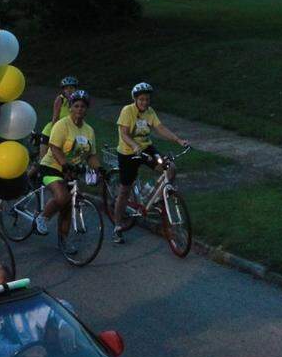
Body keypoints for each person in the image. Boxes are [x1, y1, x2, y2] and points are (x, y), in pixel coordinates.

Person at [112, 82, 188, 245]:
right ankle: (117, 225)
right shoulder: (127, 111)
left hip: (146, 148)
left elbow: (160, 128)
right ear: (135, 99)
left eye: (147, 99)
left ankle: (158, 198)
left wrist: (178, 140)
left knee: (170, 169)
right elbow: (124, 134)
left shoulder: (150, 112)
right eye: (141, 100)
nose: (145, 103)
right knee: (124, 190)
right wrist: (134, 146)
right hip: (128, 153)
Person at [34, 91, 99, 237]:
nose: (79, 109)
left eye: (83, 106)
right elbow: (54, 147)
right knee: (63, 197)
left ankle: (64, 241)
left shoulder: (89, 130)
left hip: (71, 170)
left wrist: (100, 169)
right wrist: (64, 164)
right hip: (51, 167)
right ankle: (43, 217)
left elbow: (91, 155)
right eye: (76, 106)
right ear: (70, 107)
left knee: (67, 207)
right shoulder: (61, 125)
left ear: (86, 109)